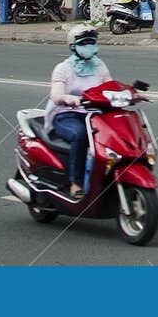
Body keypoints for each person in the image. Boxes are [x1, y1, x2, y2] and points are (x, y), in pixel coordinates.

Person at [46, 23, 111, 197]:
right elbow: (56, 95)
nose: (89, 46)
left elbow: (110, 87)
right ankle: (76, 182)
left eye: (92, 42)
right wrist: (68, 99)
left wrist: (129, 94)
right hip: (67, 115)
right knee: (81, 135)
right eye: (84, 43)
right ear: (73, 46)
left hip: (95, 115)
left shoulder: (99, 66)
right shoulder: (63, 68)